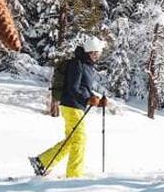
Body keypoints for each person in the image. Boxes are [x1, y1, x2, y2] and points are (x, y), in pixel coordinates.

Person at [30, 35, 108, 178]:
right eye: (96, 53)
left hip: (76, 105)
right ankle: (74, 175)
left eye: (99, 53)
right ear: (90, 52)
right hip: (72, 105)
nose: (98, 56)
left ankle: (42, 162)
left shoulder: (87, 65)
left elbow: (84, 88)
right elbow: (73, 88)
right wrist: (88, 99)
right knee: (79, 139)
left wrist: (96, 101)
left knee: (72, 139)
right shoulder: (77, 64)